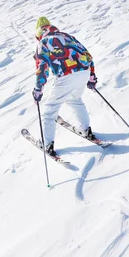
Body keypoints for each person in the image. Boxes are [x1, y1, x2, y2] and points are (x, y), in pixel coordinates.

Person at [32, 16, 98, 157]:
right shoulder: (67, 36)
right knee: (74, 99)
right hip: (84, 72)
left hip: (66, 76)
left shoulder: (43, 42)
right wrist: (92, 77)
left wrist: (38, 89)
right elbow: (87, 55)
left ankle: (47, 144)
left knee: (50, 111)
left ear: (39, 34)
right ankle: (86, 129)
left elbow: (42, 68)